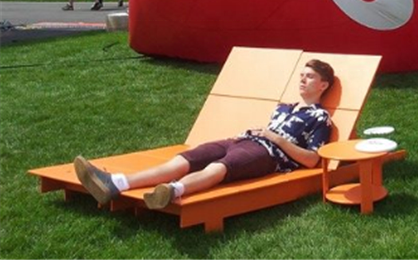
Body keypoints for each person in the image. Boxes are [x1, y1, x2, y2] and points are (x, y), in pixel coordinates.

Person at [74, 59, 335, 210]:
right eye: (301, 75)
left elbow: (313, 159)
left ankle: (173, 191)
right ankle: (116, 183)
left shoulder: (320, 117)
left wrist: (275, 138)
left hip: (268, 153)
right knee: (185, 159)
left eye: (309, 77)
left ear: (323, 85)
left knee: (220, 167)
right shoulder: (285, 107)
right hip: (244, 140)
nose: (302, 80)